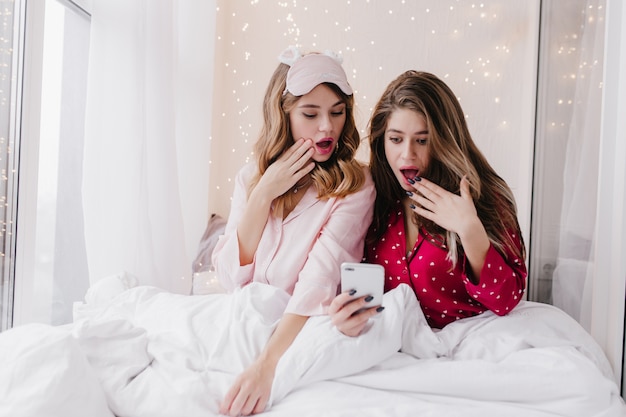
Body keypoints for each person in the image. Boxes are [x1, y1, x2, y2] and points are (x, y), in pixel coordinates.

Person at [211, 46, 375, 416]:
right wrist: (264, 193)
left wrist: (266, 366)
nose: (327, 127)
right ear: (282, 114)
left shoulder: (356, 185)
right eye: (310, 113)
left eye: (337, 112)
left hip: (295, 333)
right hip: (238, 324)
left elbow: (316, 284)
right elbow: (227, 276)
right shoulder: (250, 178)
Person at [330, 70, 527, 336]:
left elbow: (506, 301)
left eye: (423, 140)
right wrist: (347, 318)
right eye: (396, 139)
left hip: (470, 349)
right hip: (394, 351)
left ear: (445, 141)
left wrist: (470, 231)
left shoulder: (485, 197)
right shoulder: (371, 197)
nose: (407, 154)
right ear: (381, 140)